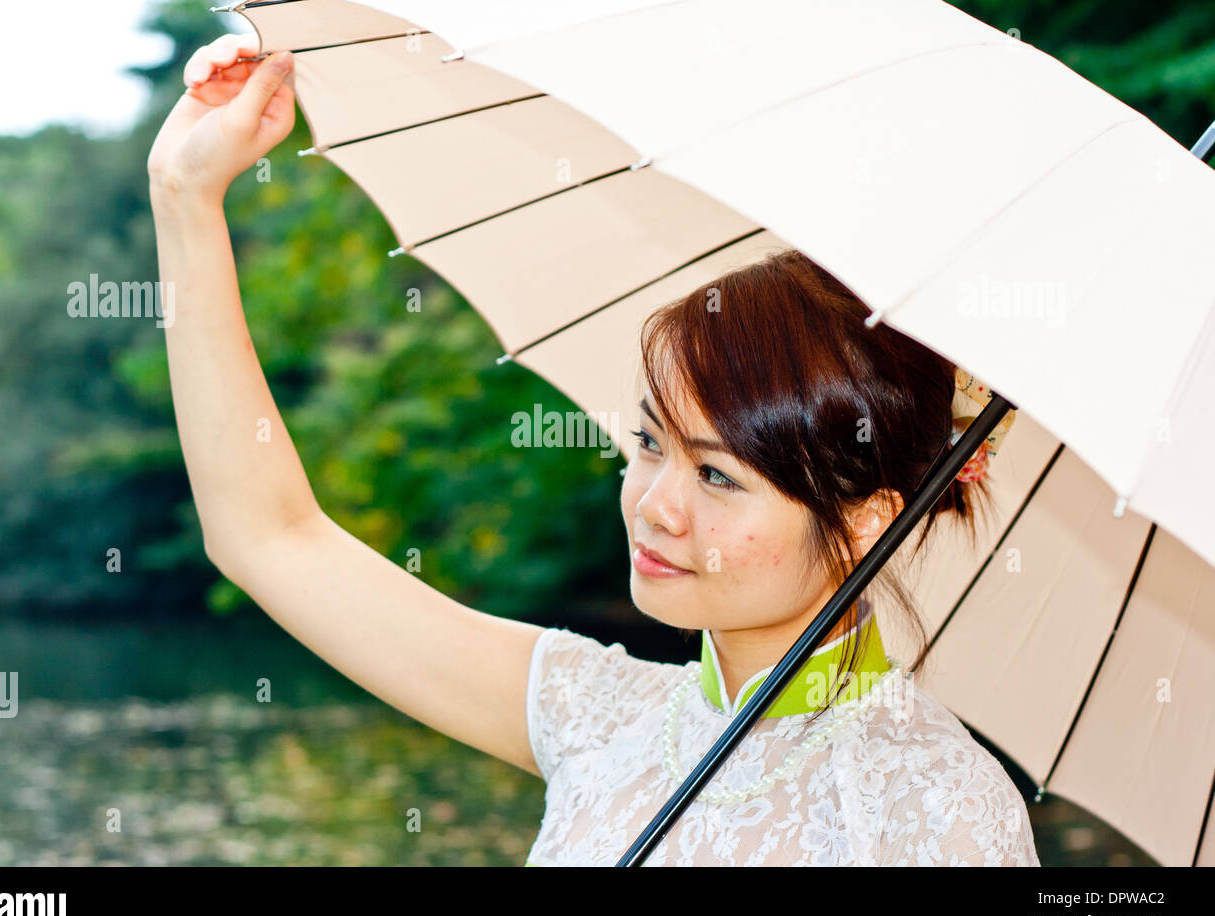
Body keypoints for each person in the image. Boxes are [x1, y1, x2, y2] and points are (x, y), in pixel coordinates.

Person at [148, 34, 1040, 867]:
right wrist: (186, 202)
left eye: (719, 474)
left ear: (871, 515)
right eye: (650, 442)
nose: (654, 502)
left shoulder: (942, 810)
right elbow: (267, 537)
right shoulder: (596, 715)